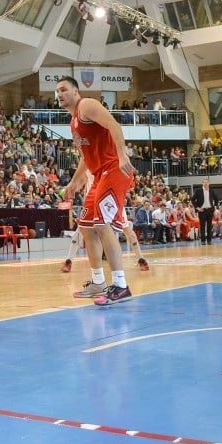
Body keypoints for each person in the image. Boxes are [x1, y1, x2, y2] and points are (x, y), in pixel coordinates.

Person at [54, 76, 135, 306]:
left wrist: (121, 155)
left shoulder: (86, 105)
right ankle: (98, 282)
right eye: (57, 91)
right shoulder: (73, 123)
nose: (59, 94)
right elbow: (85, 157)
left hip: (115, 170)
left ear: (76, 91)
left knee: (100, 223)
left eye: (64, 89)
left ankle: (121, 285)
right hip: (100, 174)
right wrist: (74, 182)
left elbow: (114, 125)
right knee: (87, 227)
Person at [192, 178, 219, 245]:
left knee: (209, 226)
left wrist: (214, 207)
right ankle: (203, 241)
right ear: (202, 183)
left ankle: (209, 240)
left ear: (209, 183)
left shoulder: (211, 191)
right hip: (202, 210)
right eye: (204, 182)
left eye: (207, 182)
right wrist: (197, 208)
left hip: (210, 210)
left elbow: (216, 199)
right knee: (202, 226)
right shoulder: (198, 191)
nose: (205, 183)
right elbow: (192, 200)